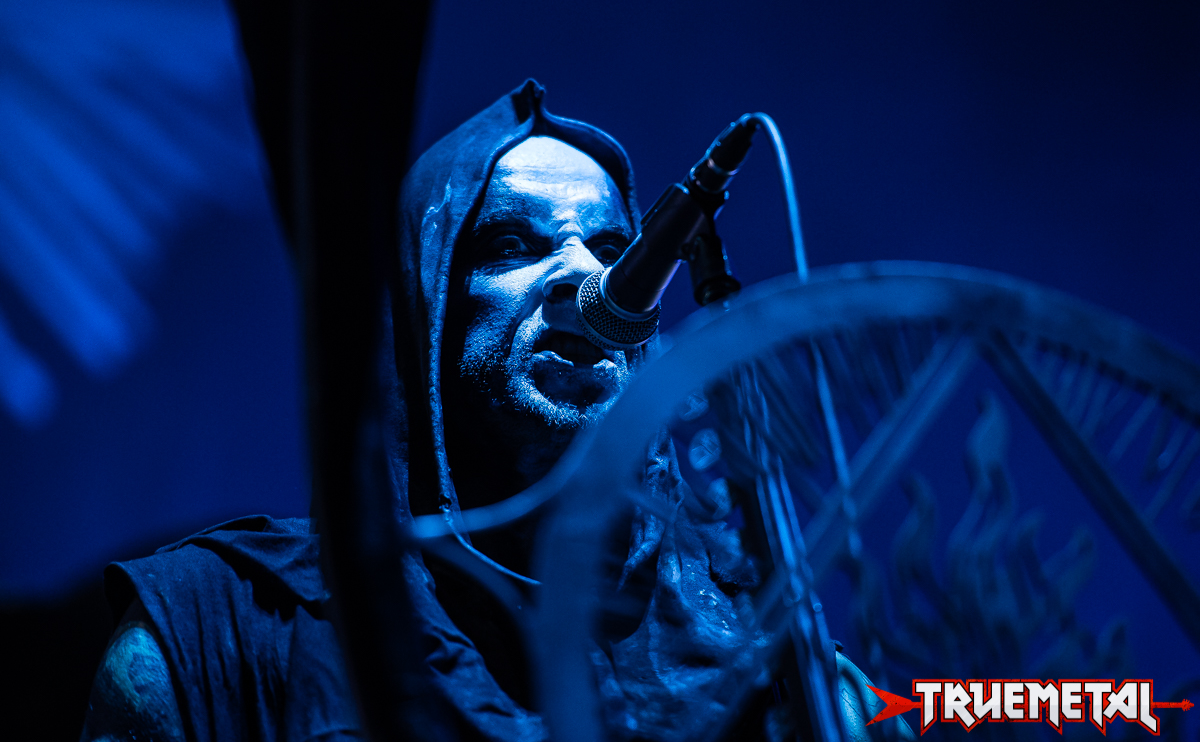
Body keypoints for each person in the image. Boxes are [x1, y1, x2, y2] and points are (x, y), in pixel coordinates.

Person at [81, 80, 909, 742]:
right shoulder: (217, 627)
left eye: (612, 248)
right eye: (513, 245)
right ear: (426, 315)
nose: (580, 274)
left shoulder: (764, 653)